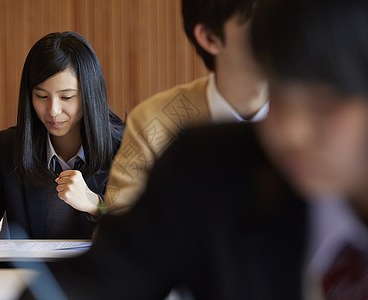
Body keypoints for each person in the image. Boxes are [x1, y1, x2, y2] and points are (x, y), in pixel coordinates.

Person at [38, 0, 368, 299]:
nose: (292, 133)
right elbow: (88, 283)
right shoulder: (204, 165)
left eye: (324, 106)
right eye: (279, 99)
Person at [0, 32, 124, 243]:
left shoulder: (126, 147)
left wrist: (95, 204)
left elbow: (147, 230)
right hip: (30, 274)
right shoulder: (8, 148)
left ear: (90, 94)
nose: (53, 110)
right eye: (41, 96)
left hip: (103, 275)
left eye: (66, 97)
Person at [104, 0, 268, 214]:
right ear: (210, 37)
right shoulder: (153, 123)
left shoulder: (319, 116)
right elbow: (120, 232)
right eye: (261, 20)